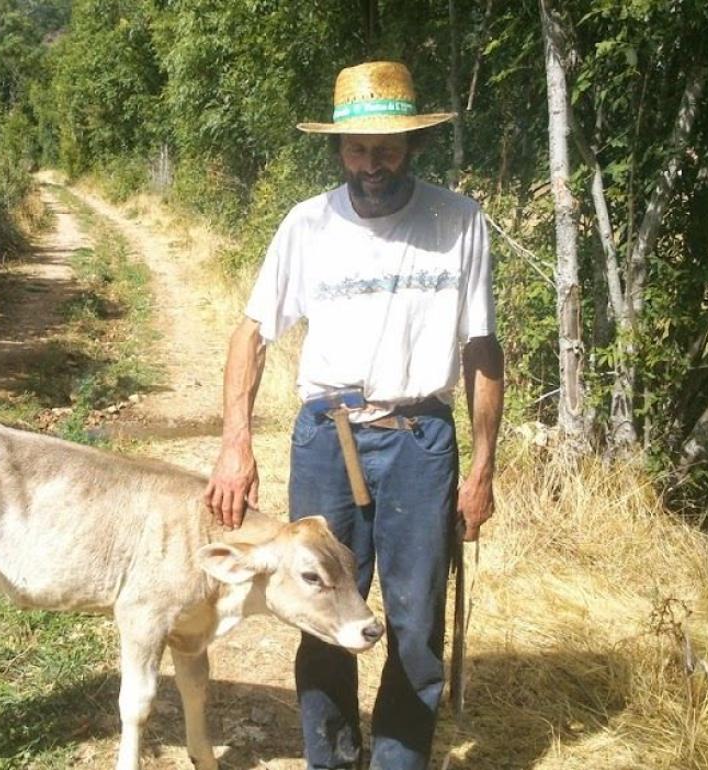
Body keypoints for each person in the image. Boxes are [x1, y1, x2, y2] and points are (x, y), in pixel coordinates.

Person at [203, 61, 504, 770]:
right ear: (338, 148)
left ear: (414, 145)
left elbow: (483, 347)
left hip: (420, 439)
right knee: (320, 611)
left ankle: (399, 760)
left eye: (389, 148)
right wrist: (234, 443)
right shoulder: (307, 225)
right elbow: (251, 333)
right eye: (359, 149)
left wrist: (483, 469)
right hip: (324, 438)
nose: (374, 165)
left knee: (416, 621)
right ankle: (331, 758)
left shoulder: (459, 221)